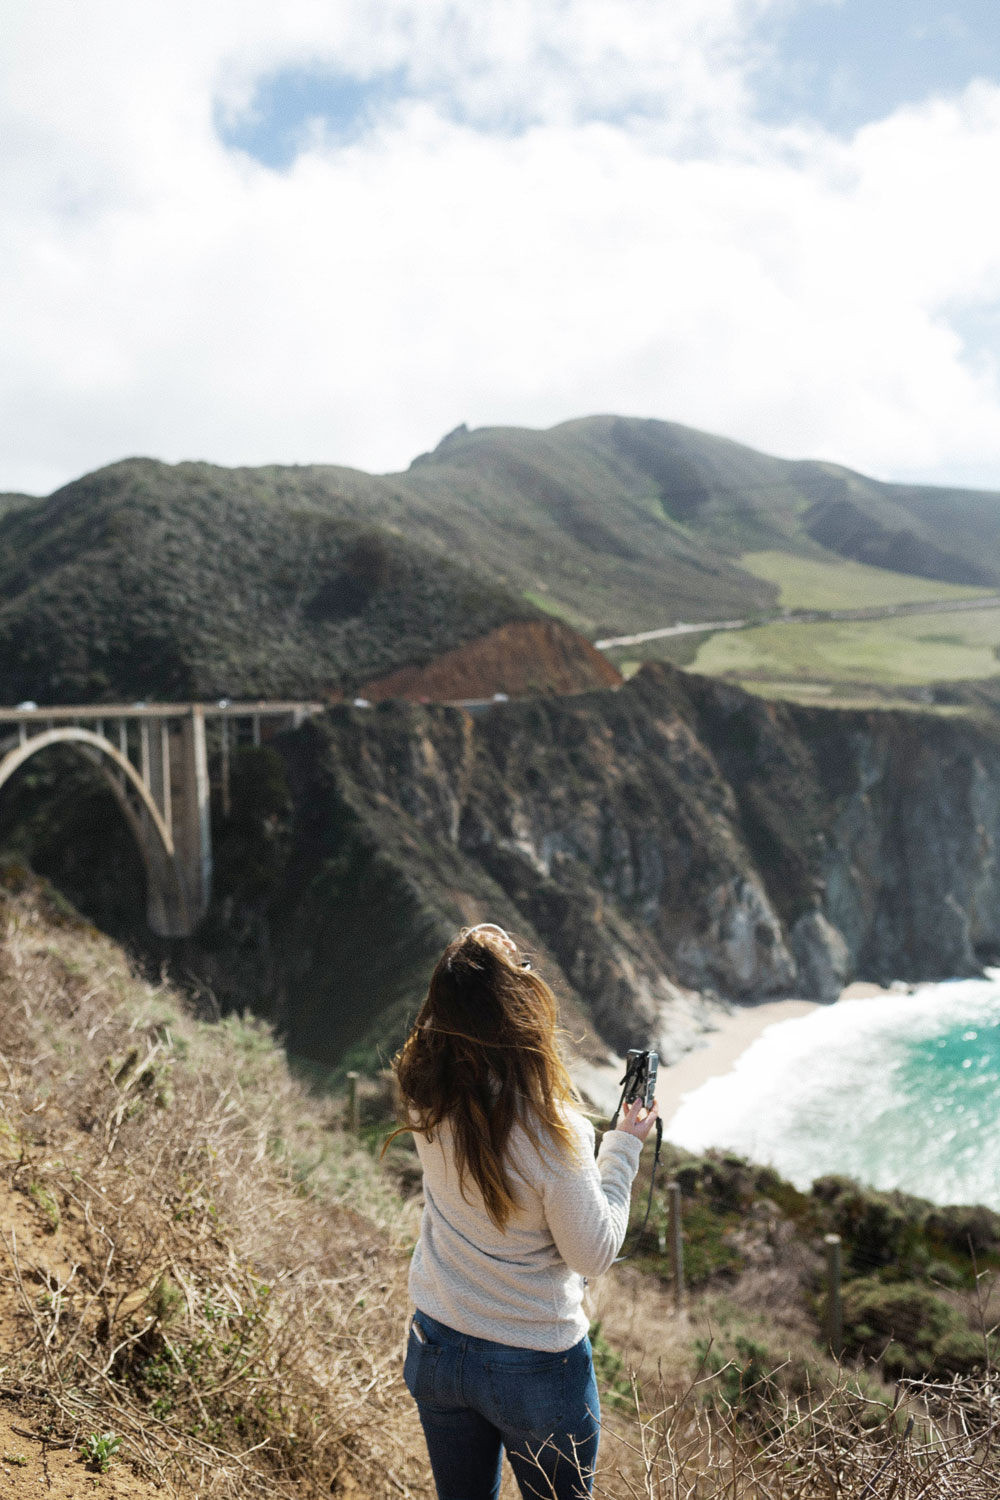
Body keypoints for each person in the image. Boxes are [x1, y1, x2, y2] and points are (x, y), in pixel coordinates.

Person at [385, 922, 659, 1500]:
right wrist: (625, 1146)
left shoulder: (422, 1090)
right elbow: (594, 1253)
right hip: (535, 1364)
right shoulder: (554, 1133)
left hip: (438, 1342)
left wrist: (461, 961)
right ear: (523, 1011)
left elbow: (430, 1030)